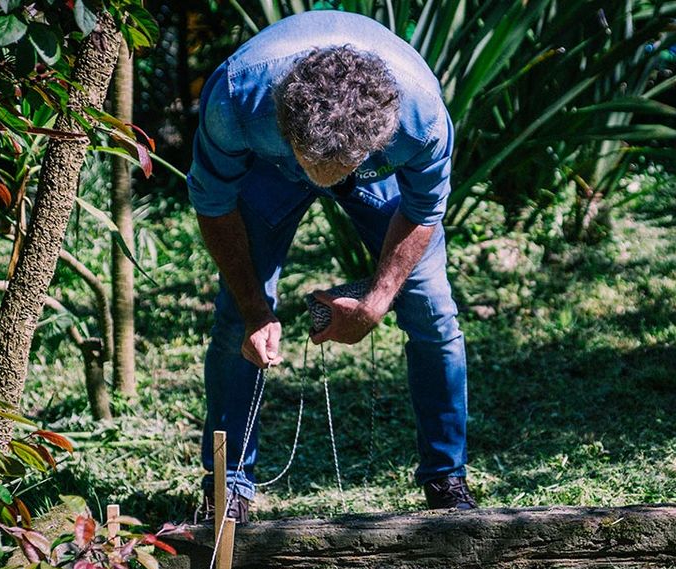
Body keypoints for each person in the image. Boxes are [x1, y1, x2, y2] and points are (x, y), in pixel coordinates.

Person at [187, 10, 477, 523]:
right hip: (269, 165)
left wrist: (375, 304)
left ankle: (446, 477)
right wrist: (257, 309)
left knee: (432, 311)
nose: (320, 182)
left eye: (331, 172)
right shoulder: (235, 99)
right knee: (236, 317)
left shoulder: (421, 118)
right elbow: (214, 204)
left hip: (373, 168)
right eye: (312, 167)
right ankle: (228, 486)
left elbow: (424, 209)